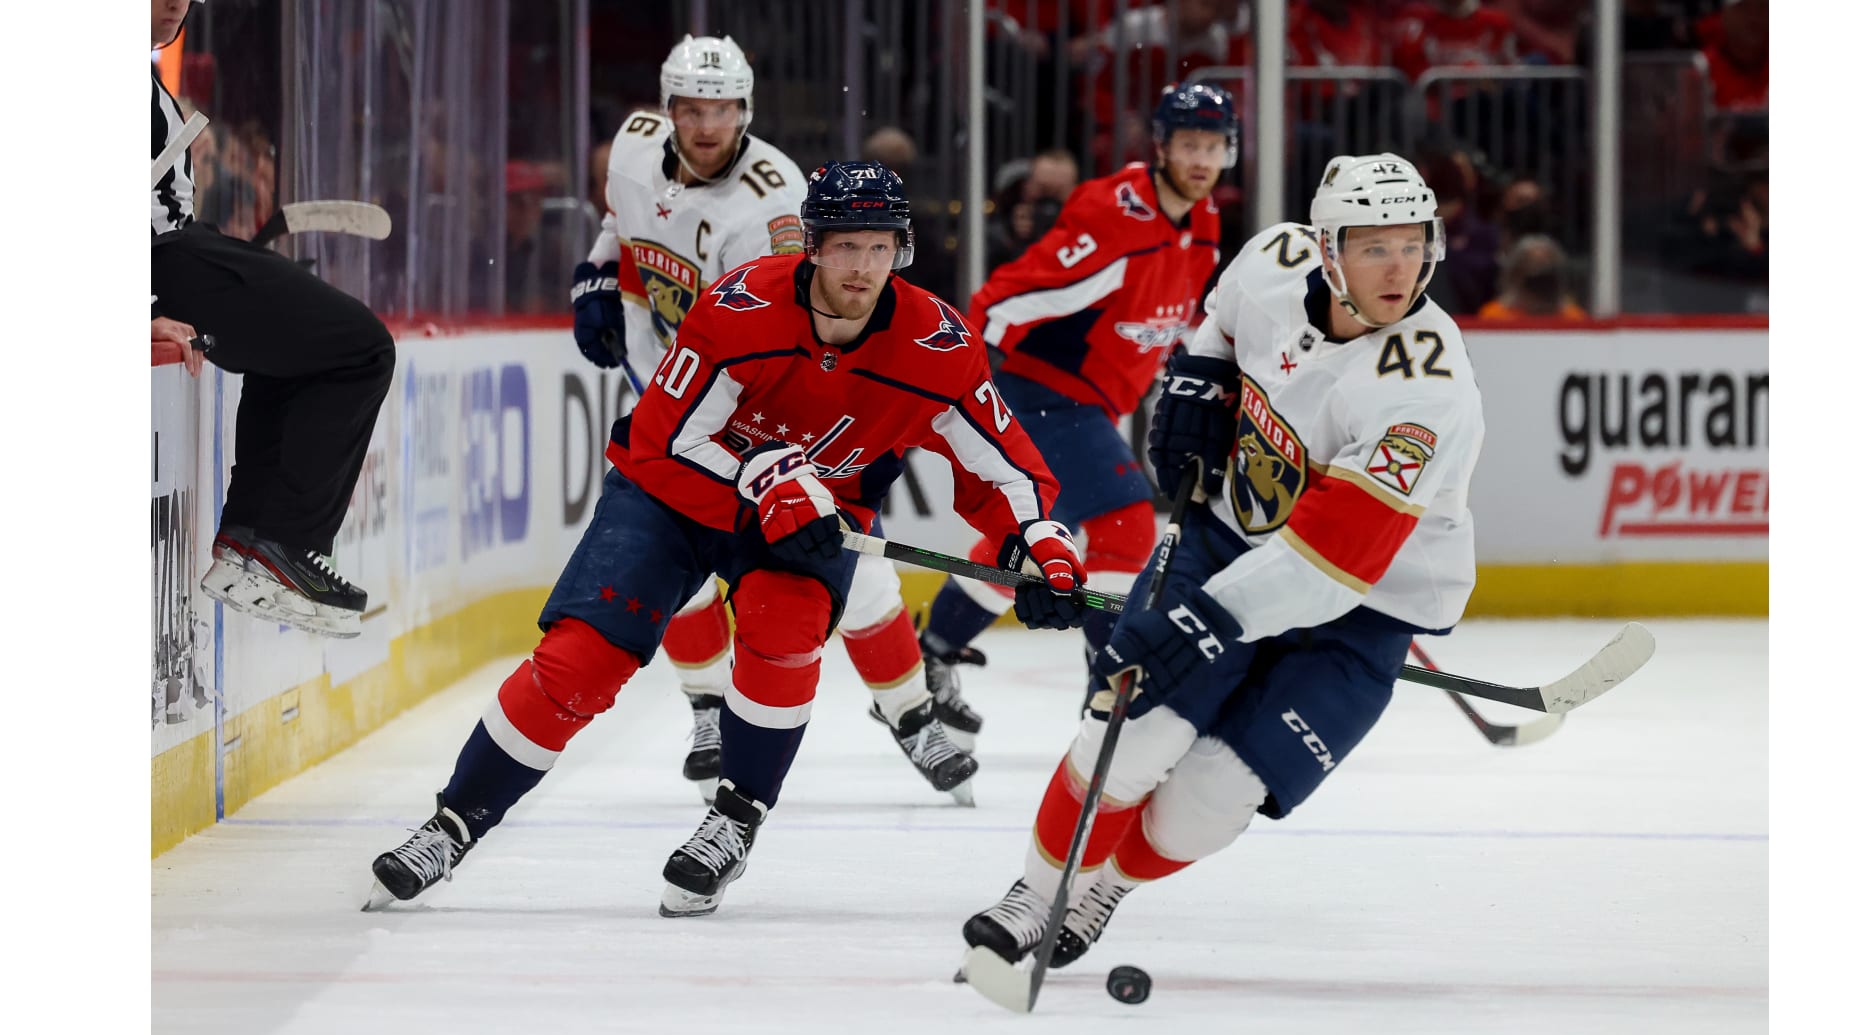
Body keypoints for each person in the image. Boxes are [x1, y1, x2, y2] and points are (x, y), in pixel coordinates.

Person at [369, 162, 1090, 918]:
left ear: (900, 250)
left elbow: (1004, 468)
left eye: (880, 247)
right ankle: (454, 822)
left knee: (783, 640)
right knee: (581, 660)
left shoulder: (937, 345)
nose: (862, 267)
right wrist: (765, 474)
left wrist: (1037, 542)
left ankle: (734, 819)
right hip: (673, 496)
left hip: (807, 520)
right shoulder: (739, 306)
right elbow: (669, 438)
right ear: (813, 245)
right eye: (846, 246)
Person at [961, 153, 1486, 969]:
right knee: (1130, 730)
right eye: (1375, 246)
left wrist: (1206, 622)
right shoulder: (1273, 261)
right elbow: (1224, 322)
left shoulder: (1427, 388)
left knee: (1208, 800)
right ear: (1327, 249)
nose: (1400, 268)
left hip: (1365, 602)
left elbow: (1327, 564)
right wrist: (1203, 376)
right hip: (1232, 535)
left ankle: (1104, 890)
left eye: (1413, 245)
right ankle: (1034, 896)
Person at [570, 36, 977, 805]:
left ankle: (910, 714)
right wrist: (596, 272)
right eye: (692, 108)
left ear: (746, 110)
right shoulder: (631, 146)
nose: (707, 125)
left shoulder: (772, 201)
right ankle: (707, 712)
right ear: (668, 108)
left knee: (852, 568)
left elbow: (784, 323)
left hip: (770, 411)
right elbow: (621, 222)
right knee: (671, 559)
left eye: (722, 109)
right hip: (677, 396)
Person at [916, 82, 1233, 749]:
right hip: (1040, 389)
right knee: (1124, 526)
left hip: (1091, 401)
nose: (1201, 160)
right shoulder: (1115, 212)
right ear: (1161, 146)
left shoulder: (1204, 221)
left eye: (1214, 146)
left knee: (1036, 540)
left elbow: (1166, 321)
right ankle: (1107, 687)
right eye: (1189, 144)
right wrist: (964, 371)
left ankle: (933, 653)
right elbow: (1013, 295)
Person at [149, 0, 395, 640]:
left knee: (300, 347)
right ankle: (281, 546)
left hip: (176, 251)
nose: (174, 2)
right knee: (362, 349)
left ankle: (250, 541)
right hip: (163, 263)